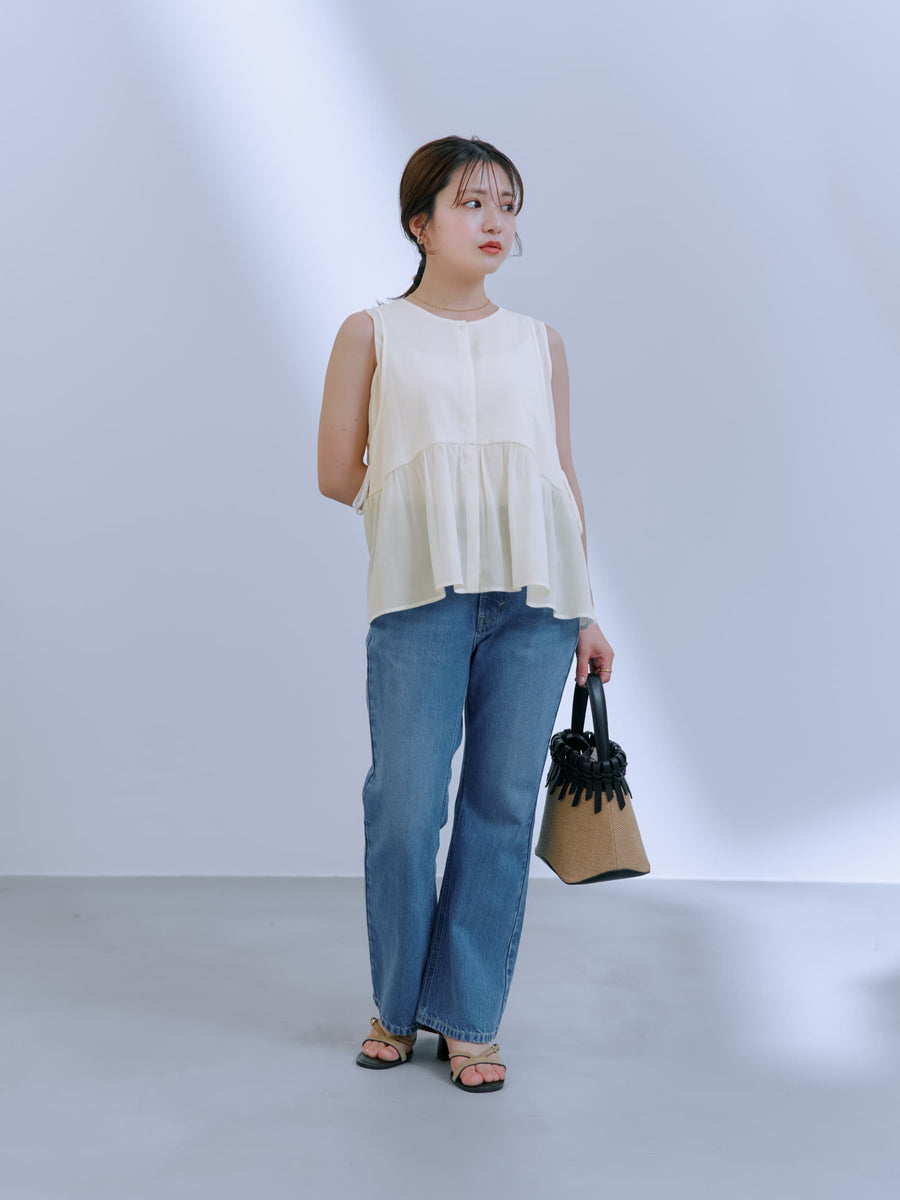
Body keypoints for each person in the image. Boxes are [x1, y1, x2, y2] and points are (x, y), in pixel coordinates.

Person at [317, 136, 613, 1093]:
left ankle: (470, 1019)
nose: (495, 224)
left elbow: (561, 480)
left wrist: (586, 611)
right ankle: (396, 1007)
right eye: (473, 203)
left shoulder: (540, 342)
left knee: (499, 808)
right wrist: (428, 518)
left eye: (508, 207)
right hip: (422, 598)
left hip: (536, 603)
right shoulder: (372, 333)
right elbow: (337, 473)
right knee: (403, 809)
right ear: (421, 223)